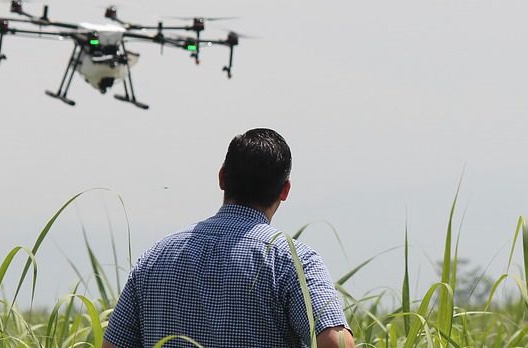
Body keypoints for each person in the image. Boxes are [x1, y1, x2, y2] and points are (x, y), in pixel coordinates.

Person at [103, 128, 354, 348]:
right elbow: (337, 344)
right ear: (285, 190)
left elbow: (112, 345)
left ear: (222, 177)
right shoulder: (294, 261)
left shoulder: (155, 257)